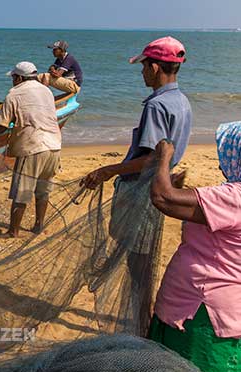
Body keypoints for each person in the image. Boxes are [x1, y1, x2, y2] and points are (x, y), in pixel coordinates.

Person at [80, 36, 191, 335]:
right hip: (157, 191)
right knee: (141, 265)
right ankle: (142, 323)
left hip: (142, 194)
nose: (142, 73)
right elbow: (168, 155)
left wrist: (107, 170)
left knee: (137, 268)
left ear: (155, 67)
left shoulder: (156, 106)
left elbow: (151, 160)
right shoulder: (181, 101)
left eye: (143, 67)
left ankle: (141, 328)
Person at [148, 126, 241, 372]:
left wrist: (163, 158)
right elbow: (188, 206)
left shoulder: (234, 197)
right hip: (206, 307)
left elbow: (163, 198)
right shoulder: (228, 197)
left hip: (202, 313)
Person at [0, 61, 62, 238]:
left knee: (21, 193)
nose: (12, 81)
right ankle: (38, 226)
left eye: (14, 77)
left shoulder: (14, 94)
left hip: (32, 146)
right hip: (54, 145)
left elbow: (0, 126)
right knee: (43, 190)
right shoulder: (46, 90)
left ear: (20, 78)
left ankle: (13, 231)